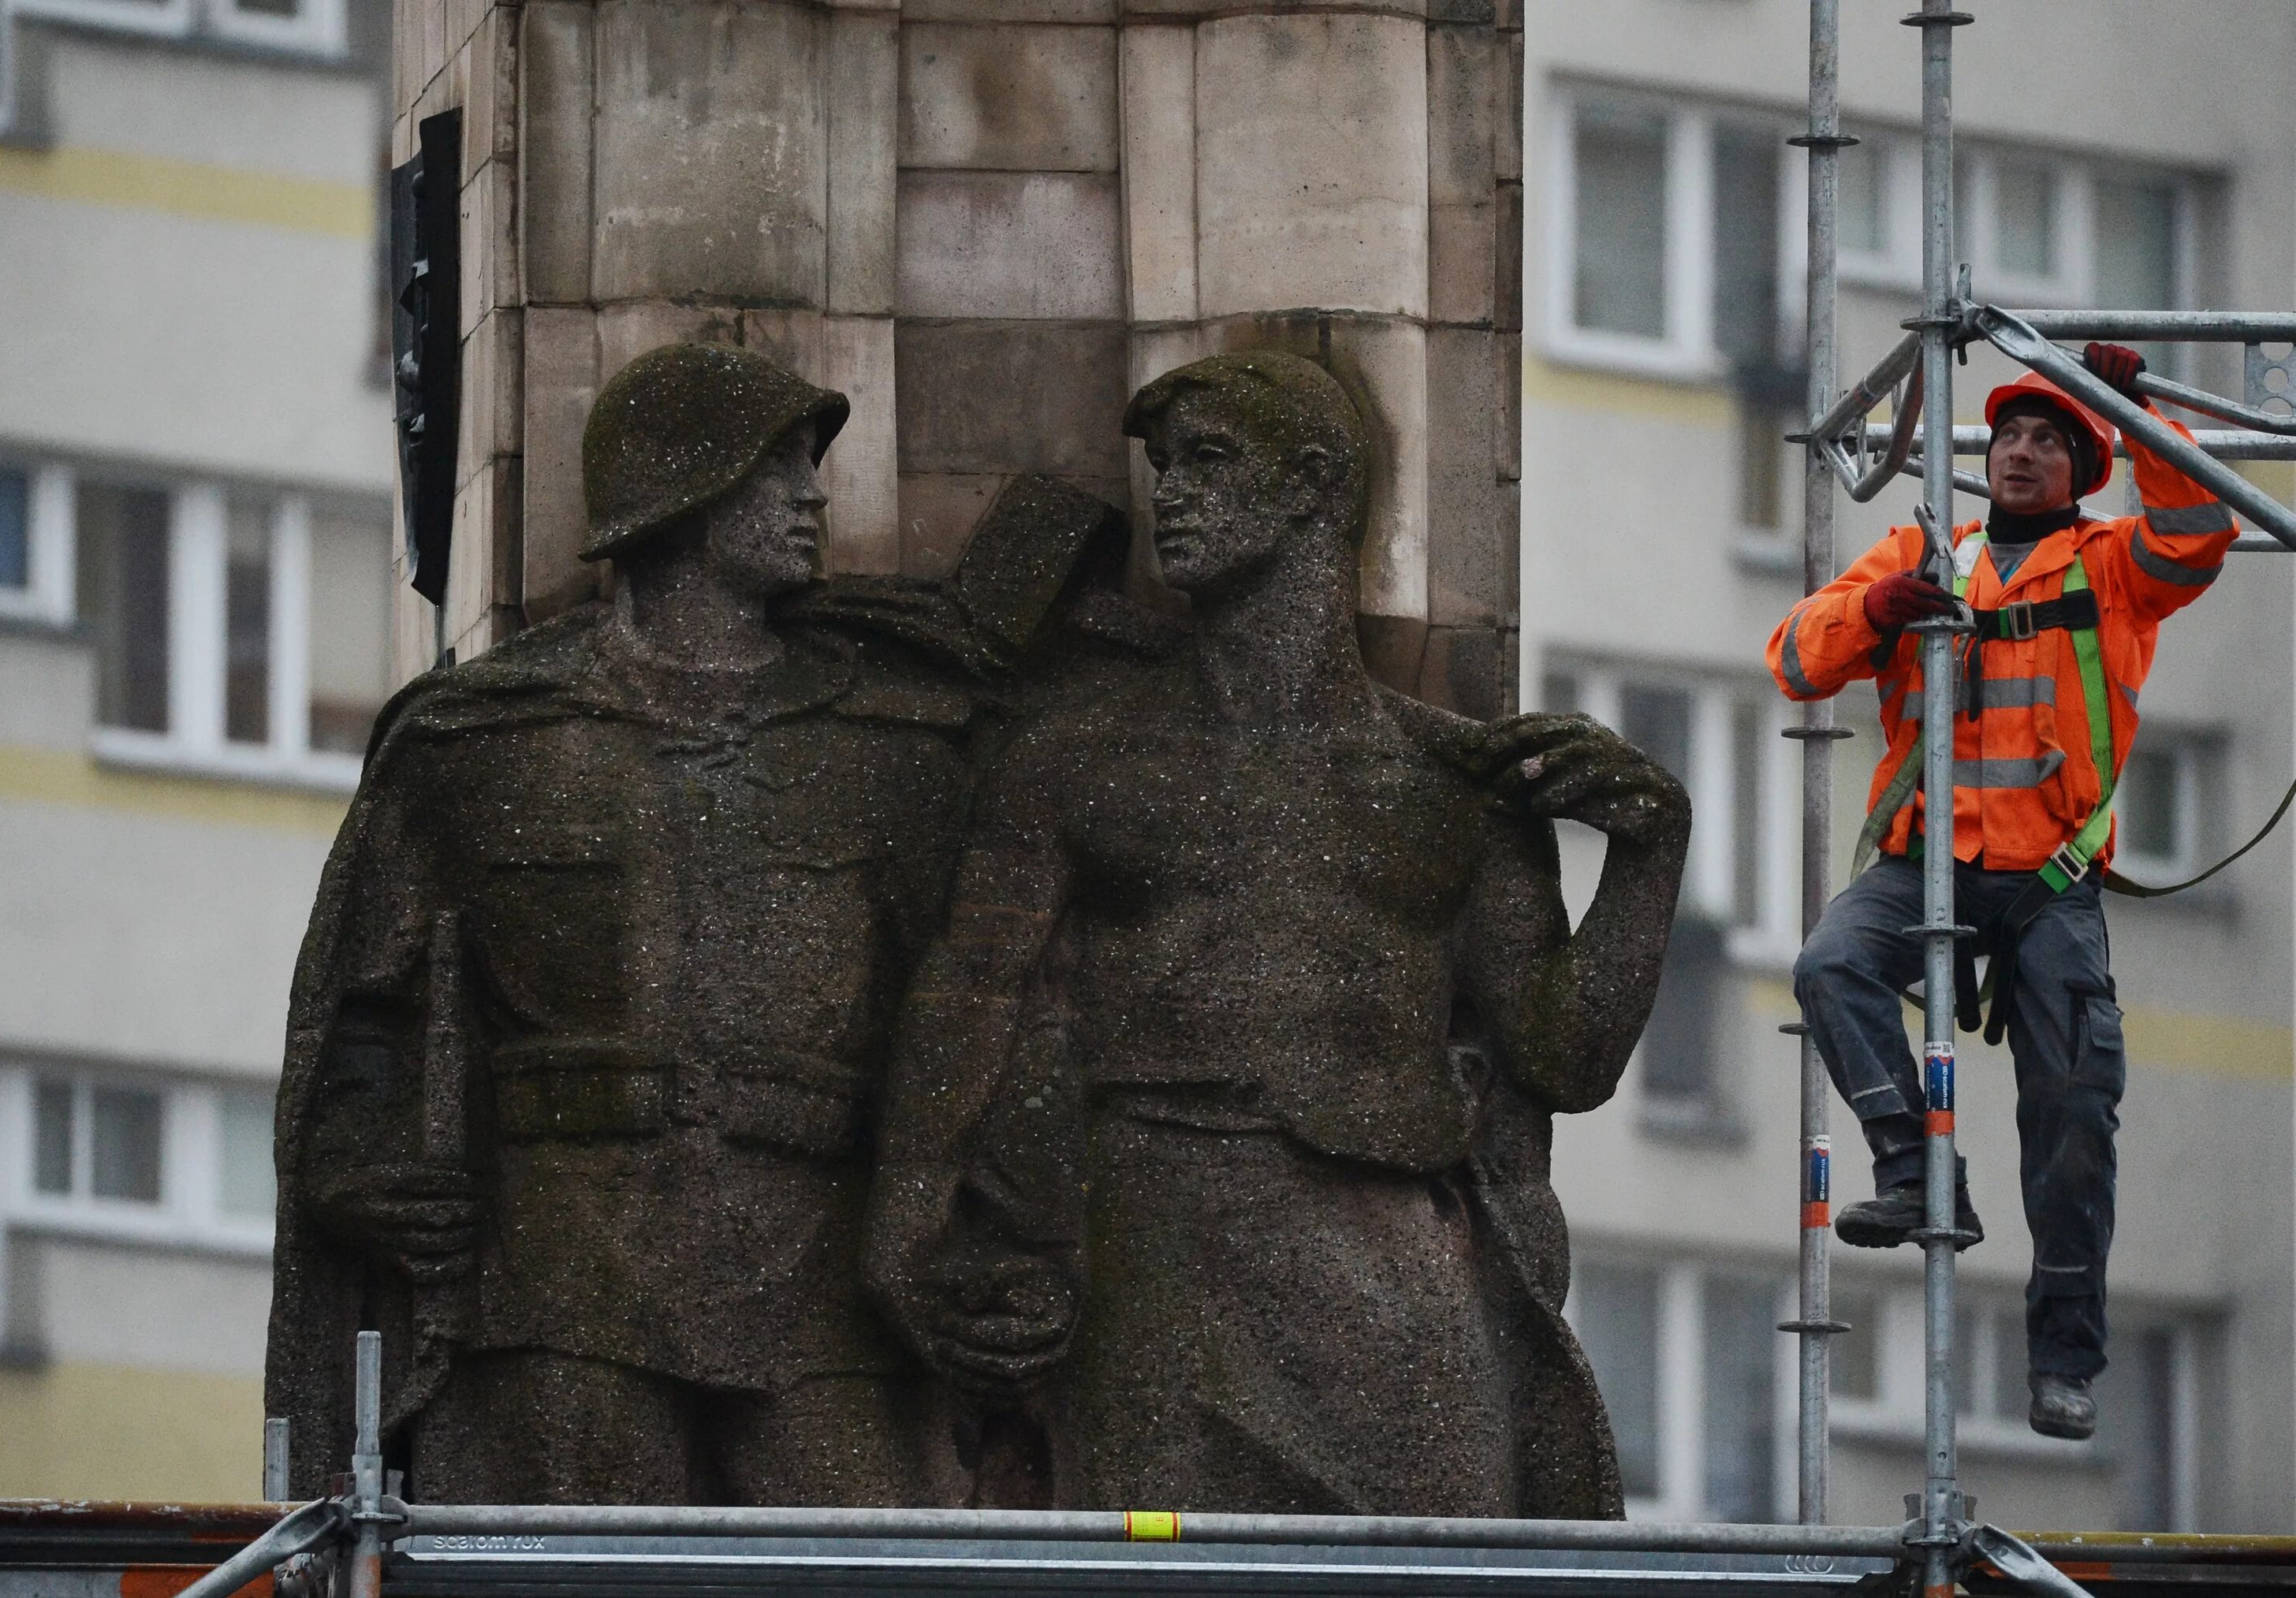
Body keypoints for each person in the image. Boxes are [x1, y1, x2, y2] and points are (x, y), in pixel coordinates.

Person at [863, 351, 1690, 1514]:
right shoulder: (1076, 757)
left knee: (1432, 1573)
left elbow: (1564, 1058)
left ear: (1310, 486)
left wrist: (1652, 856)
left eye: (1209, 462)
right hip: (1162, 1237)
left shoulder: (1446, 782)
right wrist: (906, 1224)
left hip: (1392, 1245)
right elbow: (971, 996)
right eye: (1162, 469)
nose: (1172, 498)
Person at [266, 343, 989, 1503]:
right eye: (778, 472)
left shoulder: (895, 742)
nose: (813, 499)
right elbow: (365, 1011)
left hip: (823, 1289)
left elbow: (982, 1013)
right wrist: (358, 1168)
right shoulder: (476, 742)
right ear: (686, 492)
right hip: (561, 1283)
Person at [1770, 343, 2238, 1440]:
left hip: (2049, 884)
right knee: (1832, 964)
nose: (2023, 452)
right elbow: (1795, 659)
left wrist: (2142, 404)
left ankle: (2064, 1361)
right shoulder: (1925, 555)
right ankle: (1919, 1171)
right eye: (2011, 437)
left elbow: (2198, 535)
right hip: (1924, 858)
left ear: (2086, 468)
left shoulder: (2115, 567)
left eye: (2050, 441)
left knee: (2074, 1112)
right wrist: (1881, 609)